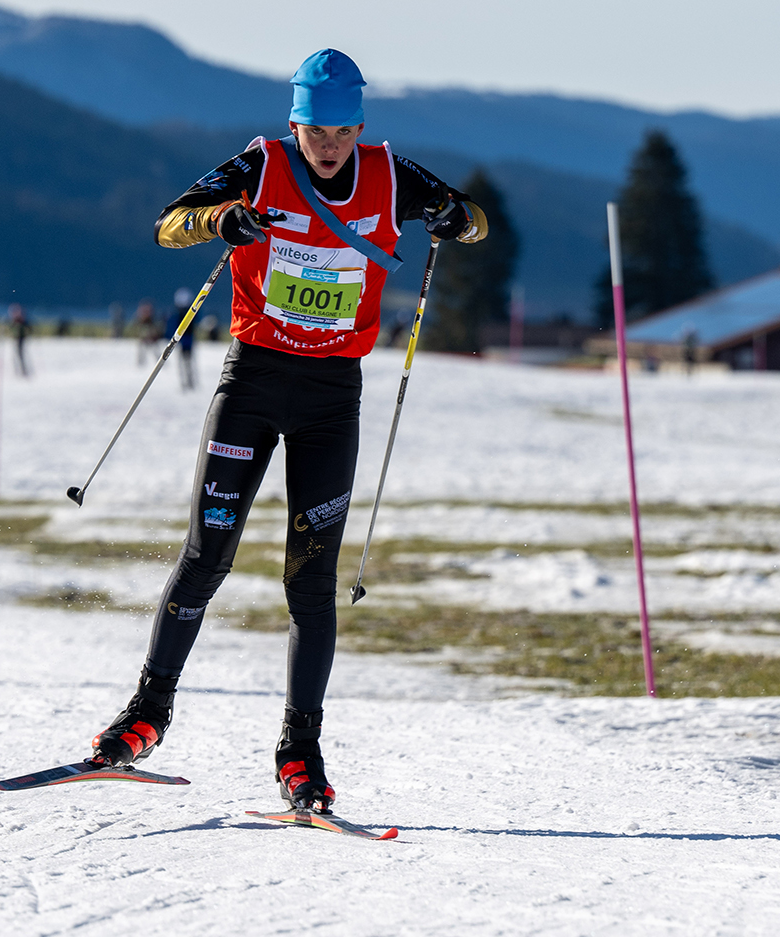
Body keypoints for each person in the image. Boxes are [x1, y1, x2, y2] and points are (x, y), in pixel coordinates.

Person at [83, 48, 486, 814]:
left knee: (311, 580)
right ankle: (146, 714)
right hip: (253, 383)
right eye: (314, 129)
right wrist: (220, 219)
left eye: (341, 130)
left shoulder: (393, 174)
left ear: (360, 125)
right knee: (208, 555)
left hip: (333, 397)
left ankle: (300, 751)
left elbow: (474, 222)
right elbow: (169, 225)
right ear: (293, 122)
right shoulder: (259, 164)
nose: (328, 145)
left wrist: (454, 218)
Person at [172, 286, 197, 390]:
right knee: (185, 363)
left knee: (187, 362)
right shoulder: (180, 314)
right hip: (185, 340)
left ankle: (189, 382)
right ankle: (187, 382)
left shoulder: (182, 313)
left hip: (187, 340)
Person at [7, 303, 32, 378]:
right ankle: (18, 371)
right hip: (16, 338)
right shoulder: (15, 321)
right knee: (17, 355)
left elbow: (28, 328)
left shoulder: (22, 321)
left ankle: (23, 371)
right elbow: (10, 328)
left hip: (21, 338)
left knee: (20, 355)